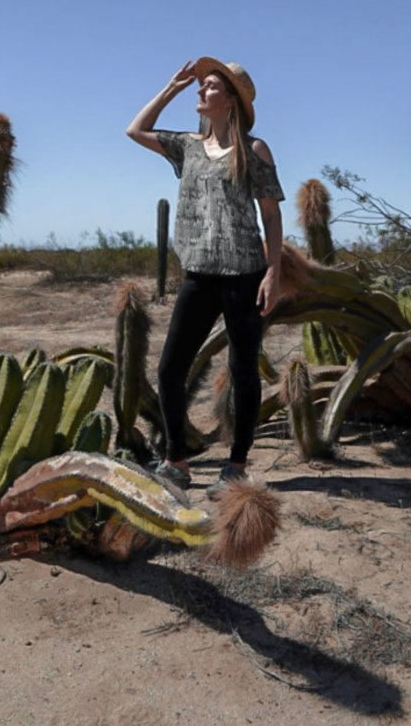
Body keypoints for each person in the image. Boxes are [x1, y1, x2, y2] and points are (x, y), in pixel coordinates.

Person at [126, 58, 285, 497]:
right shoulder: (187, 147)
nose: (201, 92)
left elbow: (271, 215)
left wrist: (273, 273)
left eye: (210, 86)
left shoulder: (254, 151)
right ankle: (176, 459)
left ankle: (236, 465)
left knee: (241, 369)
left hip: (245, 274)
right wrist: (170, 88)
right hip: (198, 275)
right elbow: (135, 130)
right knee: (171, 368)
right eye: (201, 87)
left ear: (231, 100)